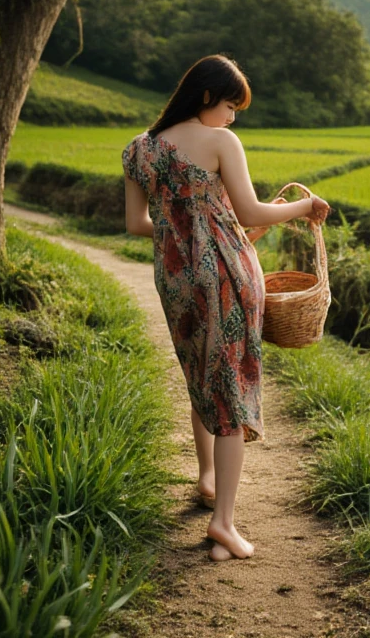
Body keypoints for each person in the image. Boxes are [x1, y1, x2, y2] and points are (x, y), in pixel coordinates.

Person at [121, 54, 330, 562]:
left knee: (201, 373)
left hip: (175, 278)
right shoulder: (219, 141)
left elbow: (137, 224)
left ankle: (208, 479)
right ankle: (224, 524)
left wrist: (186, 231)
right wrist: (305, 205)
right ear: (208, 97)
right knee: (231, 389)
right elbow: (253, 211)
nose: (234, 118)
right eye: (232, 106)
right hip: (226, 278)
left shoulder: (138, 149)